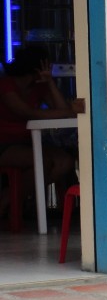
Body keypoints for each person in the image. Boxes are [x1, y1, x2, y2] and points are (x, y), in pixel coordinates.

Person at [0, 45, 82, 216]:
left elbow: (60, 110)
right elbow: (27, 112)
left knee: (65, 161)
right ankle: (7, 201)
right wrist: (70, 110)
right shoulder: (6, 85)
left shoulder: (39, 87)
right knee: (42, 162)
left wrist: (50, 82)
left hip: (28, 143)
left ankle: (11, 198)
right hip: (5, 143)